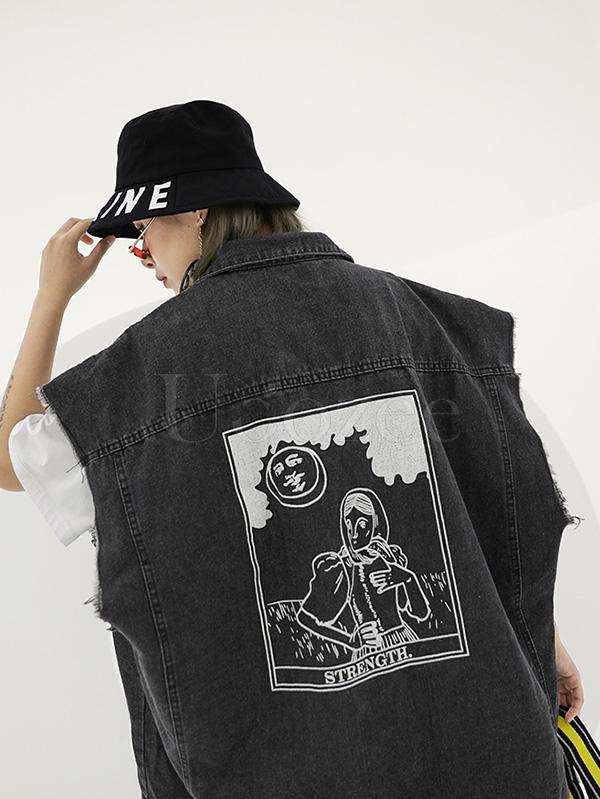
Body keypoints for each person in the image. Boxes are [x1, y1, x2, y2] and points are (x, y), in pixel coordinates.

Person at [0, 99, 586, 797]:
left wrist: (51, 296)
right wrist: (539, 642)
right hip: (490, 753)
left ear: (194, 211)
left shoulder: (136, 379)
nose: (143, 253)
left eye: (143, 229)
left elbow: (12, 463)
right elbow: (497, 511)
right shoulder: (432, 321)